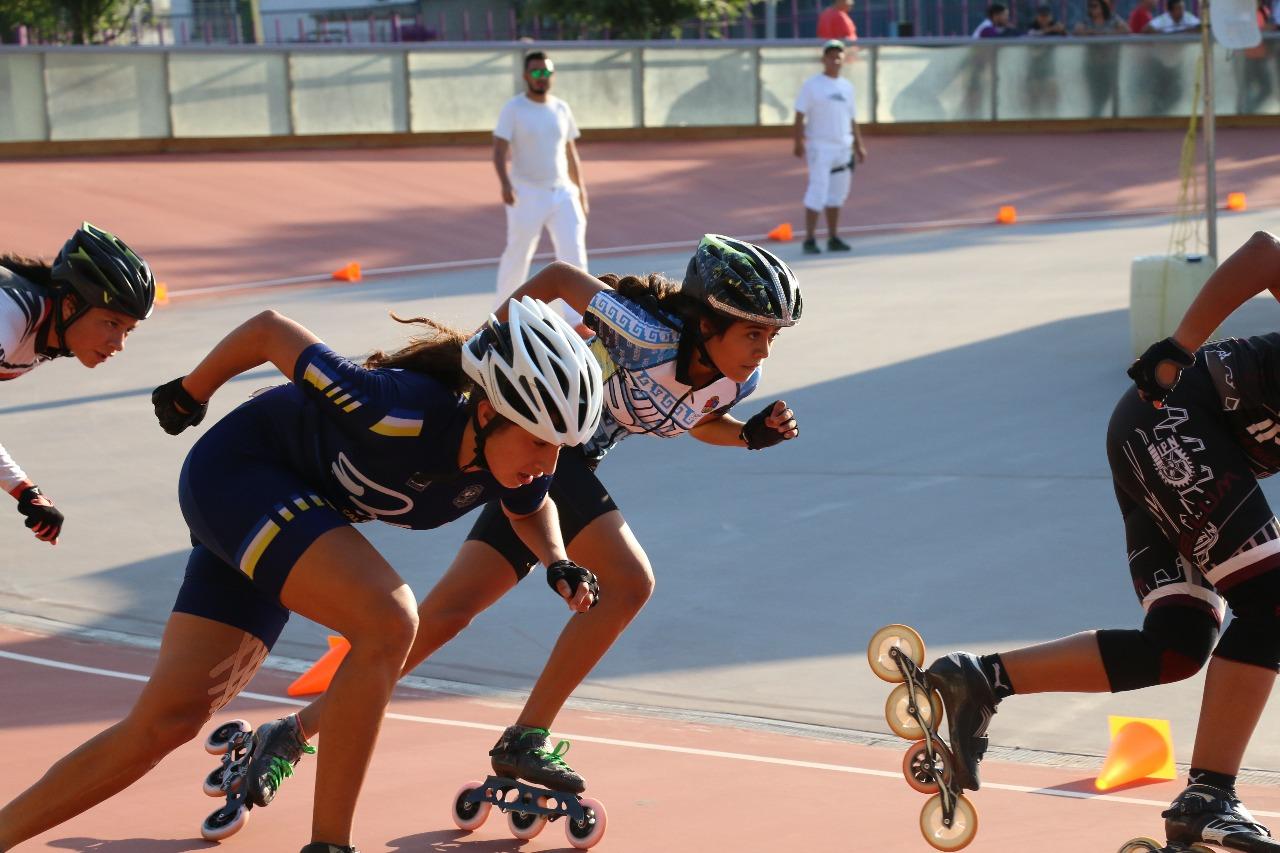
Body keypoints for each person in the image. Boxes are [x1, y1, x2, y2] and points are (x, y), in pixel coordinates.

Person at [208, 234, 804, 830]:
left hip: (535, 468)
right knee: (628, 581)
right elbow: (559, 277)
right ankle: (528, 735)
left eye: (772, 336)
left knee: (444, 616)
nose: (764, 351)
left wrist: (748, 435)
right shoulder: (646, 332)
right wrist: (482, 356)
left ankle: (290, 733)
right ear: (705, 323)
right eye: (754, 333)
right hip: (543, 447)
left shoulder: (736, 382)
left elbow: (697, 417)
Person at [0, 297, 605, 853]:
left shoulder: (515, 466)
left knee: (168, 721)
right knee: (390, 620)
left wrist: (557, 560)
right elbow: (269, 331)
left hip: (282, 515)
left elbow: (532, 512)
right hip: (237, 476)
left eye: (561, 447)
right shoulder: (395, 408)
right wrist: (192, 389)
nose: (548, 462)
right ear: (487, 410)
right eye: (540, 440)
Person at [917, 232, 1280, 850]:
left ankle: (981, 680)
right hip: (1174, 420)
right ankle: (1208, 794)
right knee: (1272, 602)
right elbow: (1266, 253)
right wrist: (1178, 347)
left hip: (1170, 445)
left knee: (1175, 646)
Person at [1, 222, 155, 547]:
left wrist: (26, 491)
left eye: (128, 330)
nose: (118, 343)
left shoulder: (51, 332)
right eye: (112, 323)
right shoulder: (11, 314)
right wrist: (21, 487)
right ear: (70, 303)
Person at [494, 50, 589, 326]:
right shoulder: (514, 108)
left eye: (546, 72)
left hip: (563, 193)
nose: (541, 77)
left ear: (552, 75)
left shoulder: (561, 108)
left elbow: (571, 153)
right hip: (526, 194)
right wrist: (505, 184)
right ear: (526, 76)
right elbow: (499, 151)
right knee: (518, 254)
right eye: (536, 72)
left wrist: (581, 191)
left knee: (574, 256)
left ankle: (580, 321)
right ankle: (500, 317)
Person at [793, 41, 867, 255]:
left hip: (843, 148)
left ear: (843, 59)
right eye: (830, 56)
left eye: (838, 56)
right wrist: (798, 142)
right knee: (817, 190)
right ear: (823, 59)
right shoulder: (813, 85)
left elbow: (852, 118)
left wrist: (859, 145)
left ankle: (833, 237)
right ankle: (809, 239)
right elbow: (799, 114)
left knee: (837, 194)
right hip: (820, 147)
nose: (835, 60)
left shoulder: (847, 87)